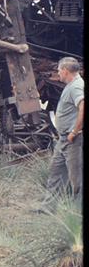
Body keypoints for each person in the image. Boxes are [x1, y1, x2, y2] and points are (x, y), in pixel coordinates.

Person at [45, 56, 84, 203]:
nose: (58, 73)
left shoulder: (76, 87)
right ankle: (48, 207)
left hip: (72, 139)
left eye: (59, 70)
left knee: (76, 177)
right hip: (63, 139)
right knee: (56, 173)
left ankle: (76, 213)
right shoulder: (71, 85)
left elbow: (83, 108)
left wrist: (74, 132)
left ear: (66, 70)